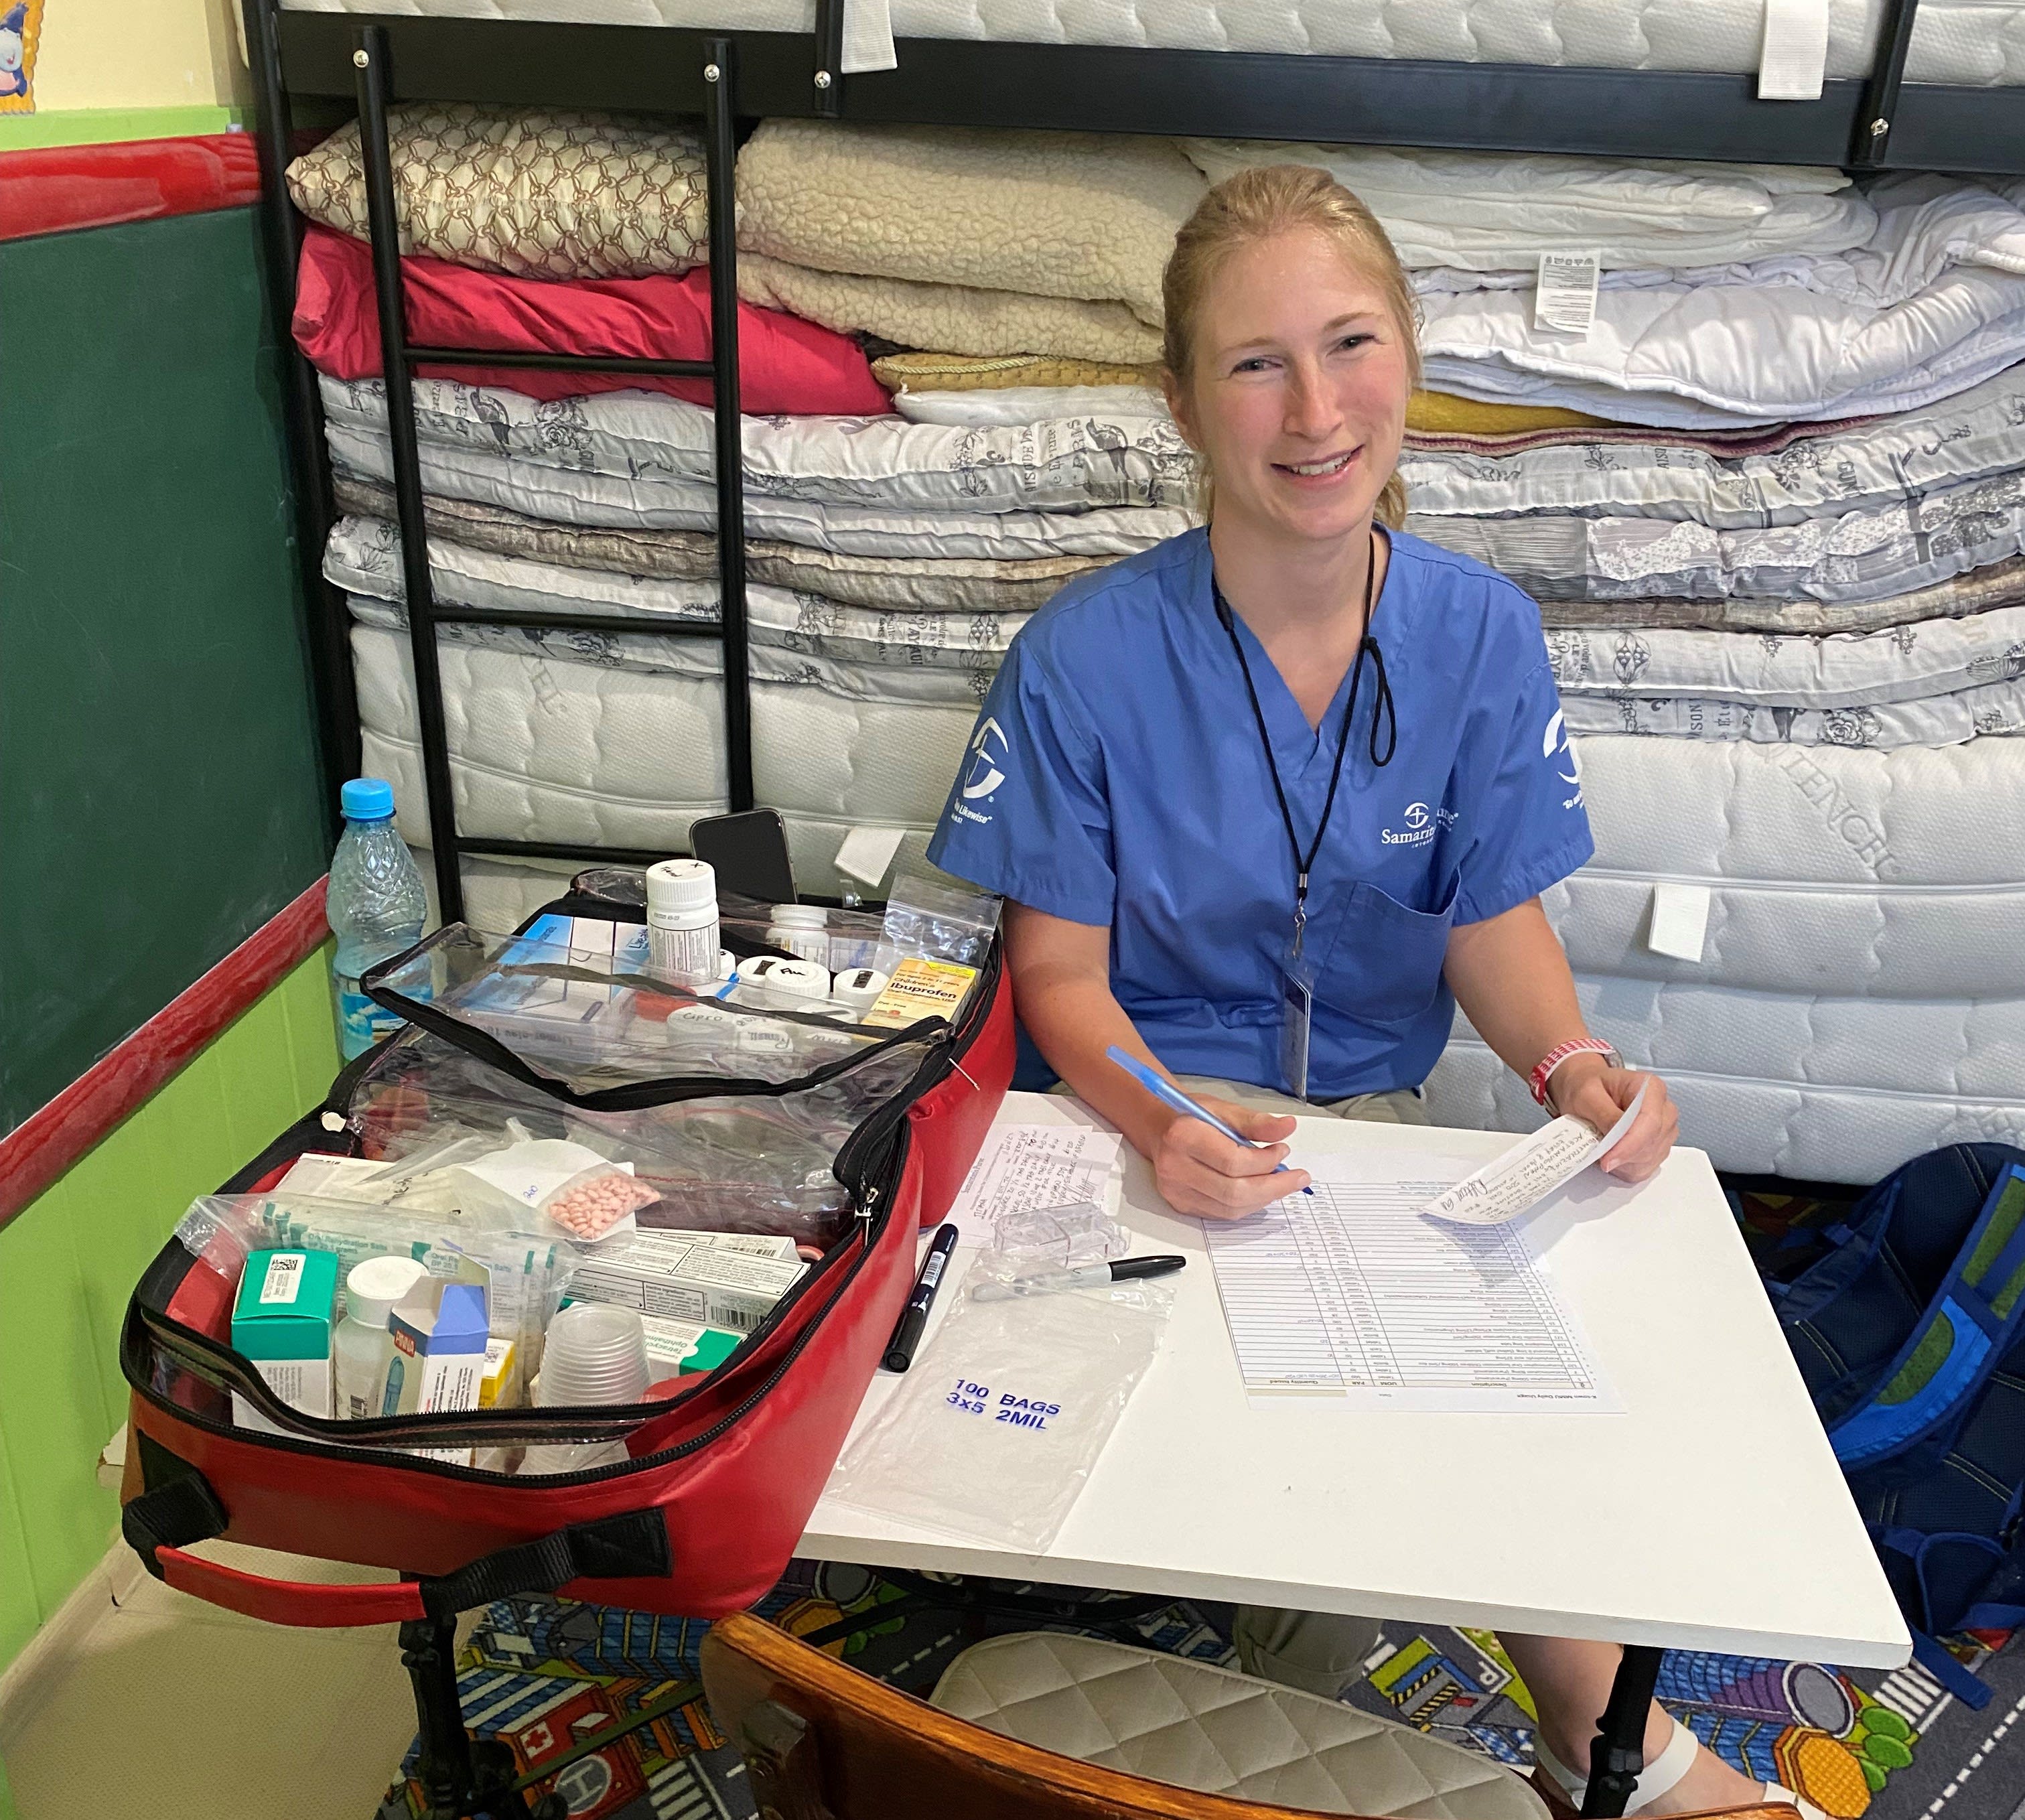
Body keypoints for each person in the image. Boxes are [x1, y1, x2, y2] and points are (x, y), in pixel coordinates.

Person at [926, 164, 1806, 1820]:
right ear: (1181, 400)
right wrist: (1168, 1123)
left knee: (1473, 1404)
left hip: (1378, 1136)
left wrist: (1572, 1068)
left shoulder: (1478, 635)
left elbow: (1490, 922)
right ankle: (1248, 1718)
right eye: (1257, 363)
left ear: (1410, 349)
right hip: (1133, 1121)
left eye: (1350, 344)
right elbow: (1057, 975)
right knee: (1202, 1466)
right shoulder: (1085, 657)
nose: (1315, 411)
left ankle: (1597, 1736)